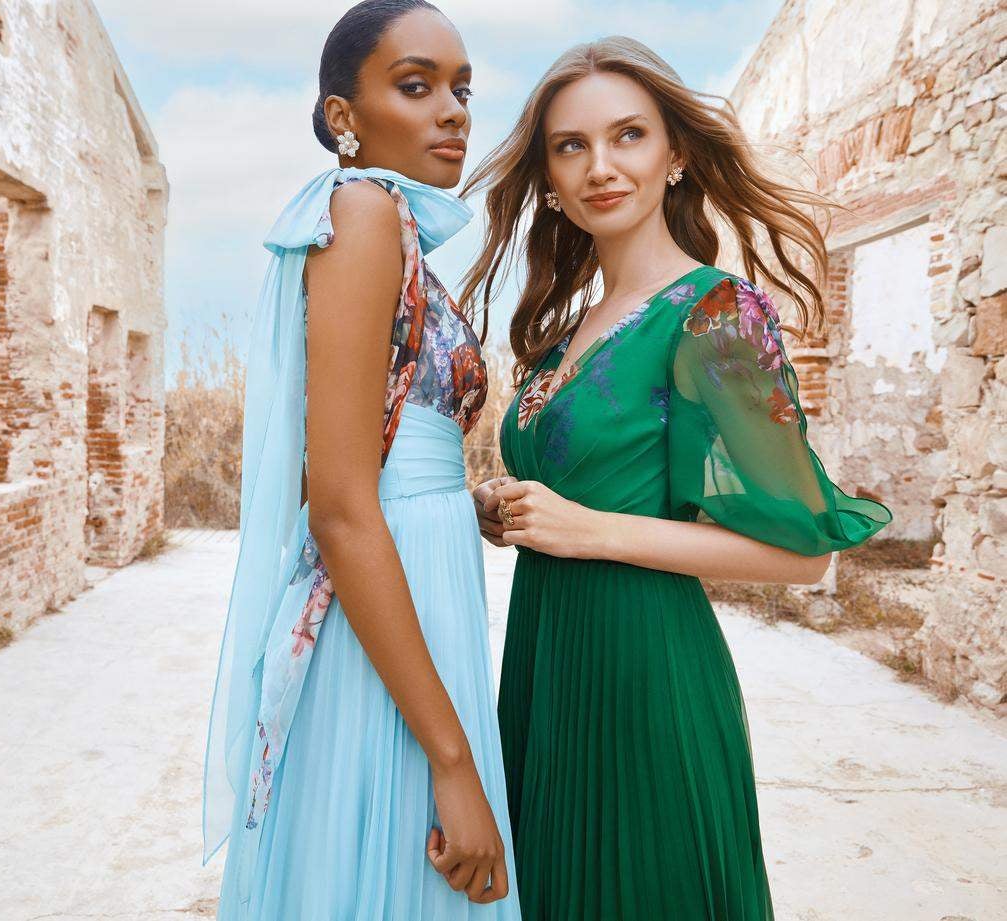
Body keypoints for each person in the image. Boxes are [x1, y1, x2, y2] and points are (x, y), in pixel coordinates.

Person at [462, 36, 893, 920]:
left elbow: (799, 556)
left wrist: (589, 530)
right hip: (547, 667)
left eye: (628, 136)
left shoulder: (715, 315)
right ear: (546, 176)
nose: (600, 167)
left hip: (645, 680)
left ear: (676, 156)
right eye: (570, 146)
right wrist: (508, 510)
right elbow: (579, 487)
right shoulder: (564, 330)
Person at [201, 2, 519, 917]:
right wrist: (453, 764)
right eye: (415, 86)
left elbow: (376, 449)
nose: (453, 111)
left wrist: (462, 502)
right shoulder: (363, 209)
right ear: (343, 116)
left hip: (417, 576)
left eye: (461, 90)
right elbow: (339, 504)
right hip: (382, 600)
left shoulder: (391, 226)